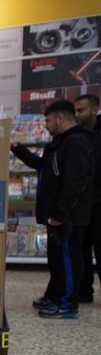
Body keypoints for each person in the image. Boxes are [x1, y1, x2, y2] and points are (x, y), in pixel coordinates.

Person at [11, 100, 94, 318]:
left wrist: (60, 213)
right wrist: (17, 149)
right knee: (56, 260)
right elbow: (42, 167)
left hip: (68, 217)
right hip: (56, 216)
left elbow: (75, 181)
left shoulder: (76, 142)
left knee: (67, 260)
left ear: (60, 118)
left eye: (48, 120)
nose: (45, 125)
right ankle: (56, 296)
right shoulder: (58, 143)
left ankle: (67, 304)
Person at [74, 94, 101, 302]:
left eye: (81, 110)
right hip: (82, 202)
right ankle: (84, 292)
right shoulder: (76, 136)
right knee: (81, 249)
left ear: (94, 109)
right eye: (75, 110)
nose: (77, 114)